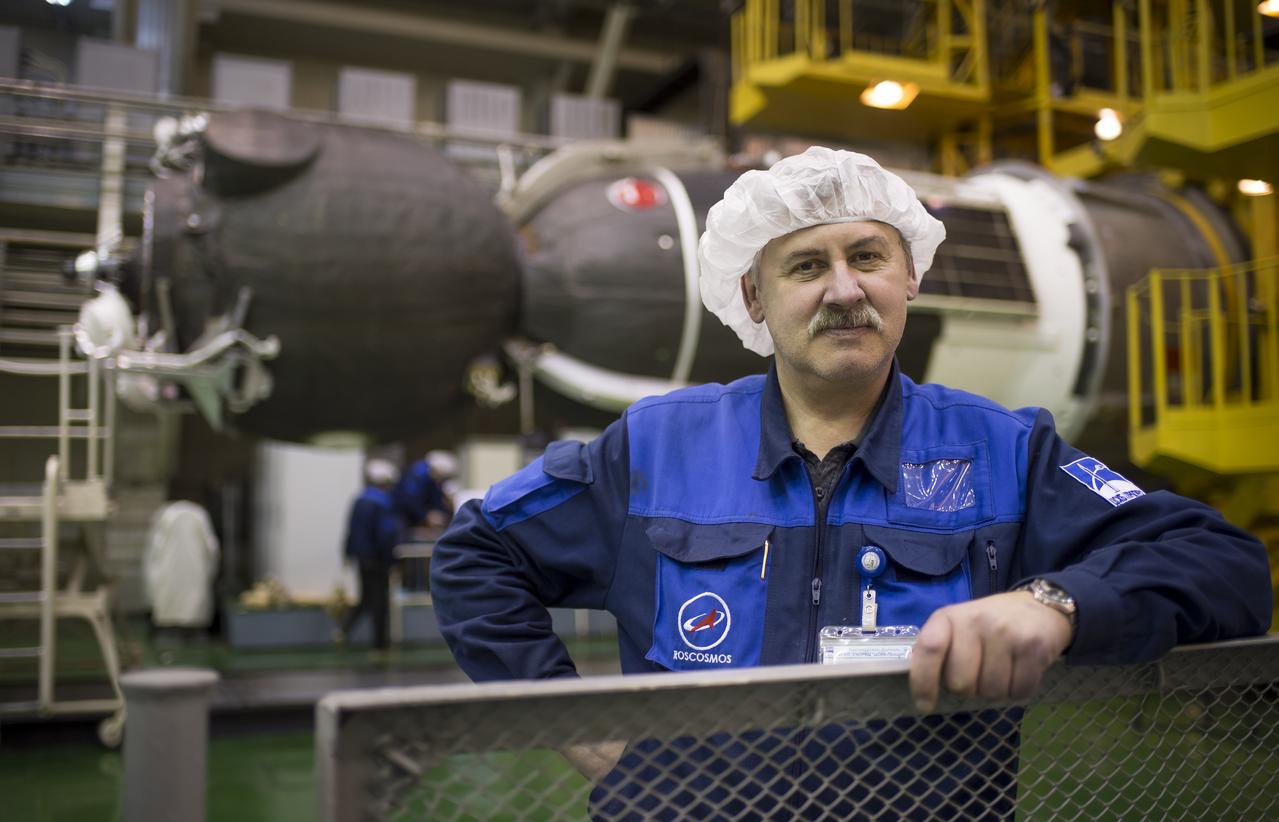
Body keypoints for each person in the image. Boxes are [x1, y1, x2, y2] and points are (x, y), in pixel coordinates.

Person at [429, 147, 1271, 812]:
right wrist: (568, 717)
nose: (843, 290)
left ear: (910, 276)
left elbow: (1220, 561)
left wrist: (1052, 604)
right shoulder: (655, 446)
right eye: (804, 267)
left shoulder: (1002, 451)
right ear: (753, 298)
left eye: (867, 256)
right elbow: (475, 554)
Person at [338, 458, 402, 650]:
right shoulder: (382, 503)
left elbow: (350, 529)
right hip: (378, 558)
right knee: (380, 602)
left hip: (362, 557)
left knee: (366, 597)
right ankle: (380, 644)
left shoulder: (360, 499)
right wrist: (391, 558)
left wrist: (348, 552)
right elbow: (386, 533)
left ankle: (344, 630)